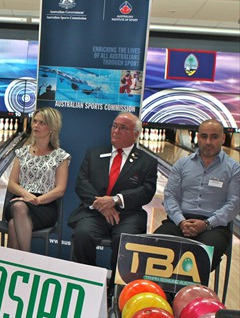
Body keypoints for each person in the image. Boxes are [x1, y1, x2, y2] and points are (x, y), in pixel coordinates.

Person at [68, 112, 158, 285]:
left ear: (136, 134)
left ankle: (116, 287)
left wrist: (116, 200)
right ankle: (88, 282)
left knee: (124, 240)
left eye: (123, 128)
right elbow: (82, 184)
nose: (116, 131)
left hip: (129, 215)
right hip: (95, 213)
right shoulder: (94, 154)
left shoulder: (147, 162)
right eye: (114, 126)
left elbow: (147, 191)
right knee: (82, 234)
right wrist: (102, 204)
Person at [154, 119, 239, 271]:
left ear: (223, 139)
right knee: (155, 246)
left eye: (214, 137)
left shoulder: (233, 168)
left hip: (214, 227)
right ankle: (165, 293)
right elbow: (170, 196)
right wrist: (181, 221)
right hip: (179, 221)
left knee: (201, 257)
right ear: (198, 137)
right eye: (204, 136)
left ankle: (189, 294)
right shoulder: (182, 164)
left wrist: (206, 224)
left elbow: (233, 204)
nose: (208, 141)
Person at [5, 107, 70, 252]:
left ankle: (15, 264)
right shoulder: (22, 152)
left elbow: (60, 189)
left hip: (45, 206)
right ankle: (27, 259)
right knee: (18, 207)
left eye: (42, 123)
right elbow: (12, 184)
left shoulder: (61, 156)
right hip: (20, 200)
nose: (36, 126)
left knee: (12, 225)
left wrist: (37, 200)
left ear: (52, 127)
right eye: (35, 121)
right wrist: (27, 196)